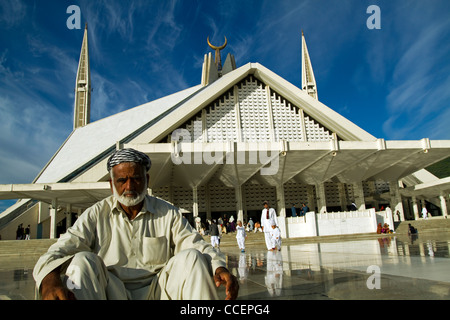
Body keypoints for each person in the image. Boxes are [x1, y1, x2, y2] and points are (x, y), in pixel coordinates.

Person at [33, 148, 238, 300]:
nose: (129, 186)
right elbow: (59, 250)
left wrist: (219, 267)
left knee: (193, 258)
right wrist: (49, 281)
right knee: (82, 261)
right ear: (111, 183)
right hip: (111, 292)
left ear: (146, 179)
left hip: (158, 291)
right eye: (122, 180)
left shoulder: (167, 212)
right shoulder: (96, 214)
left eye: (136, 179)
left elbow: (194, 243)